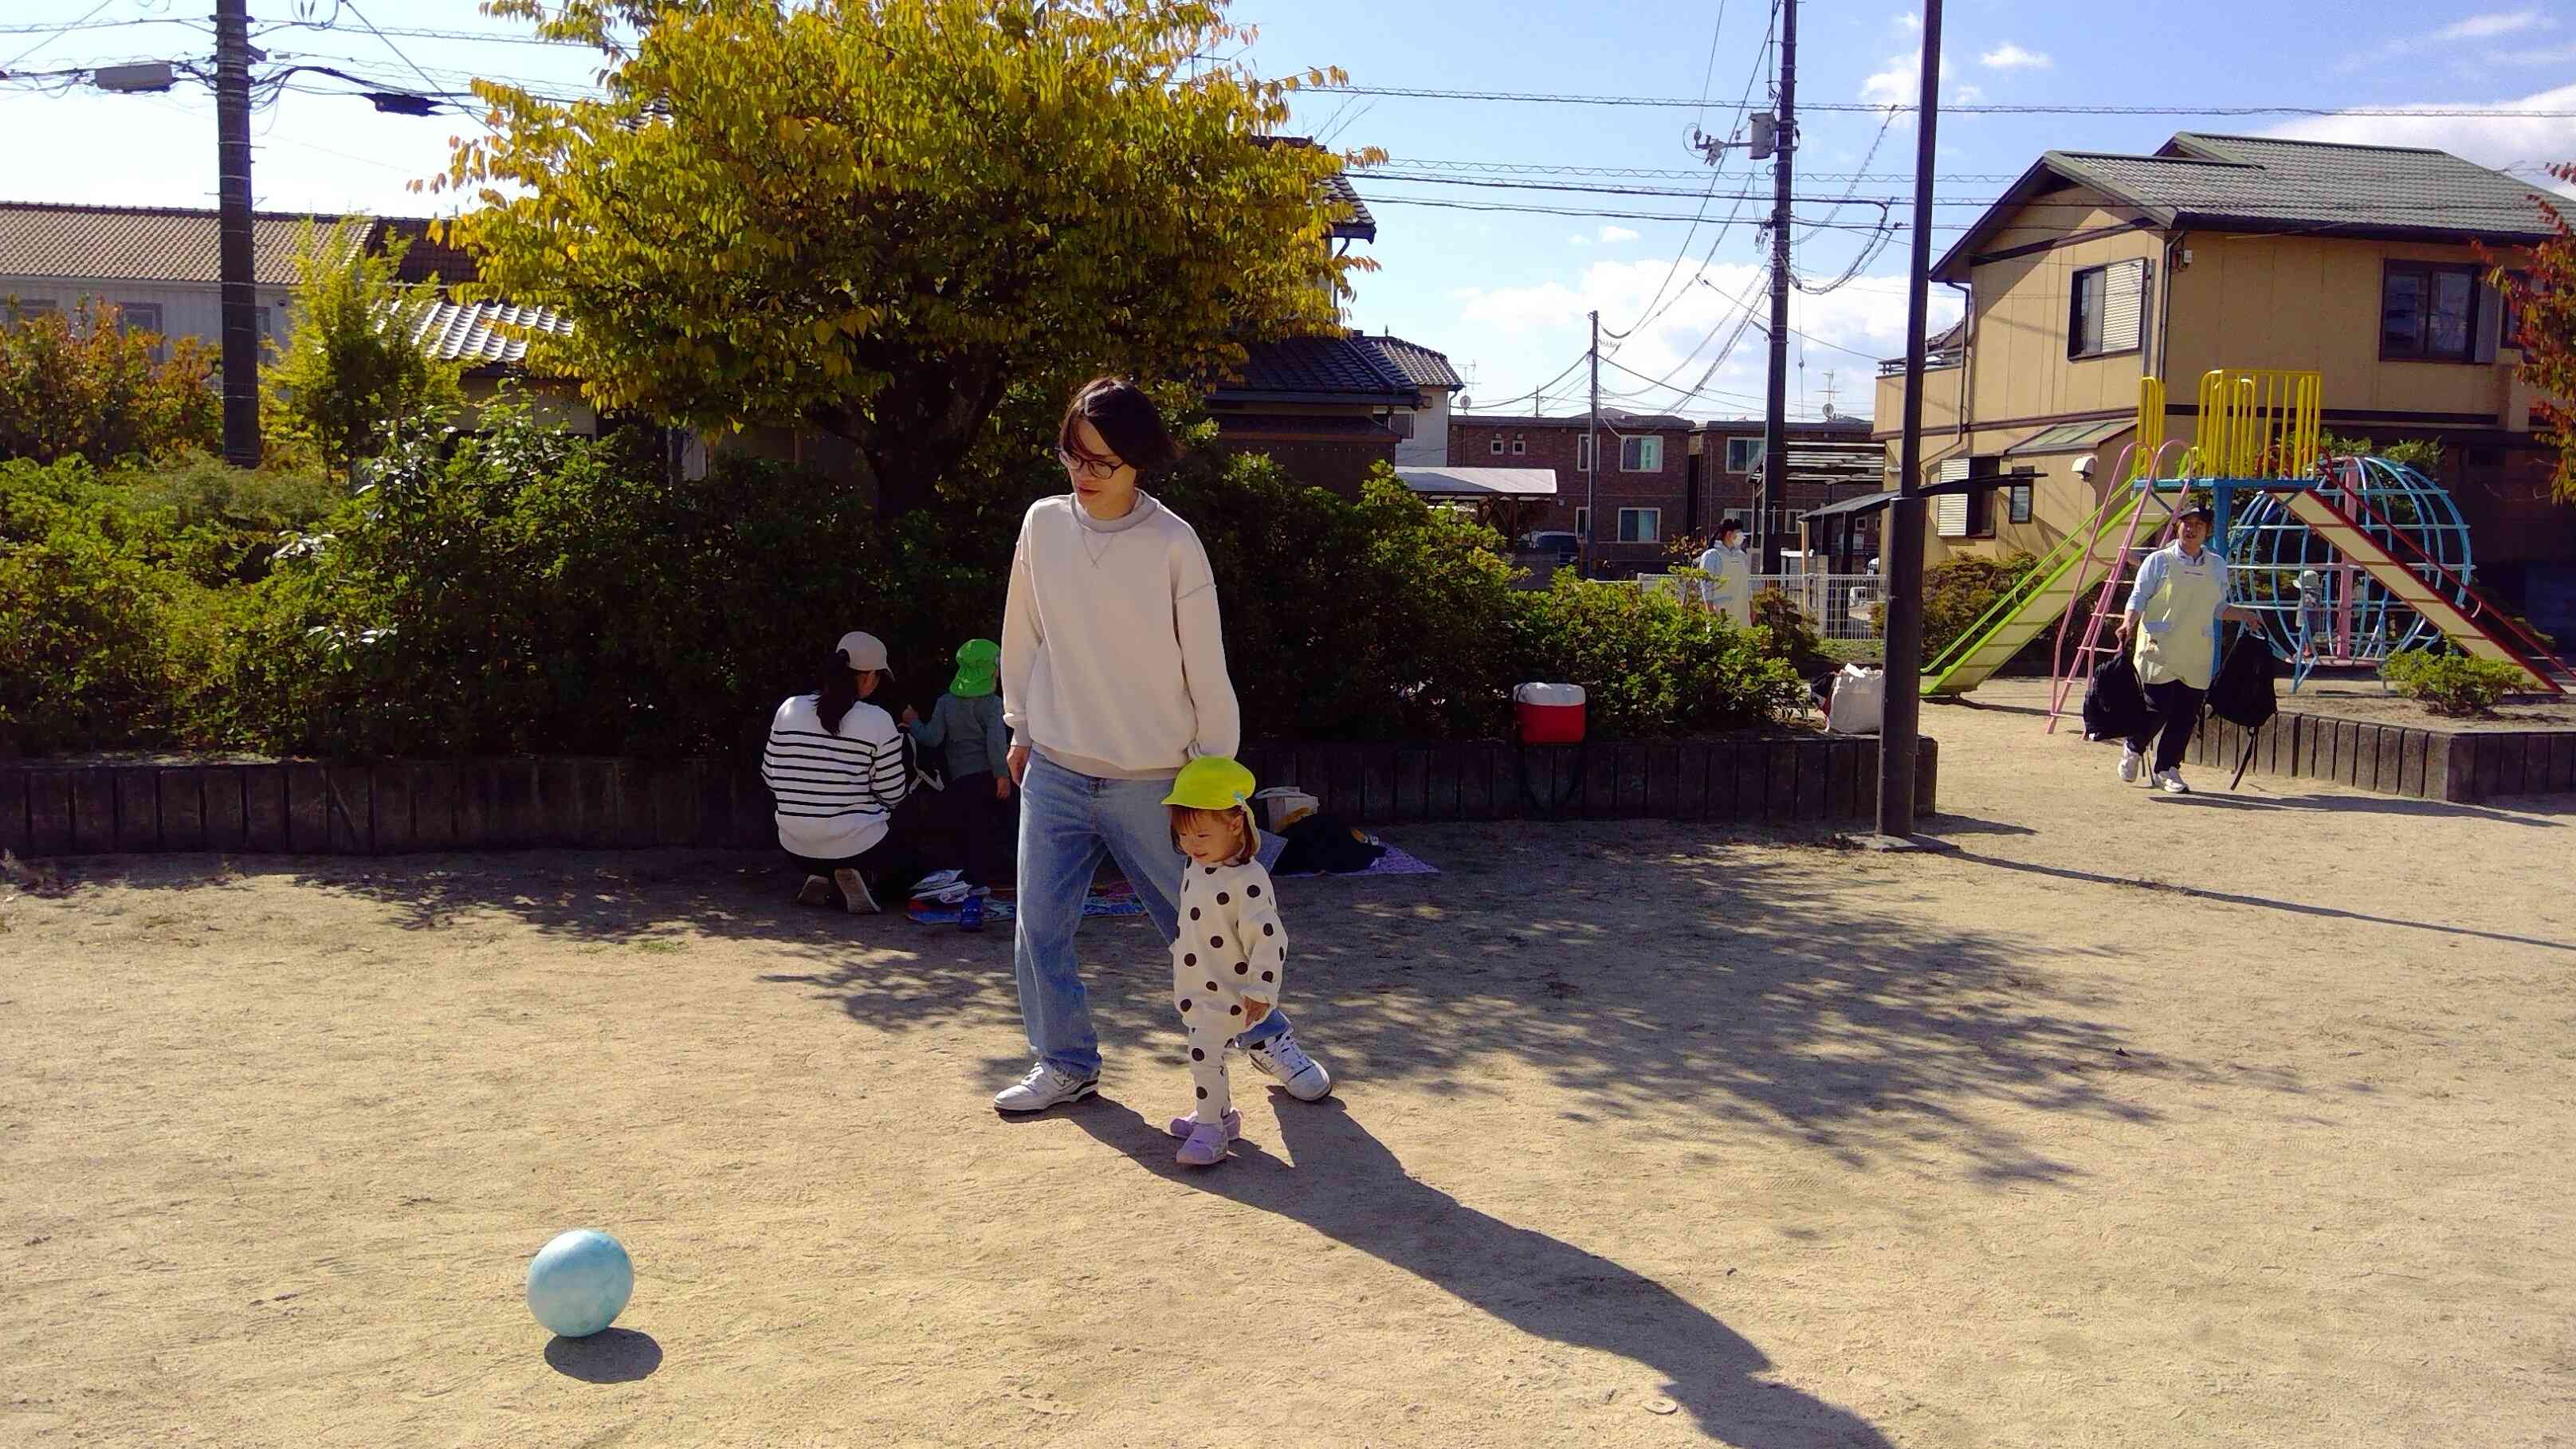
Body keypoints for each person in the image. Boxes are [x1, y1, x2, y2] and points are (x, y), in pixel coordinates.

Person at [992, 376, 1333, 1114]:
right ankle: (1065, 1062)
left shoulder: (1174, 542)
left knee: (1200, 929)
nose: (1083, 475)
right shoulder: (1041, 525)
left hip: (1158, 780)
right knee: (1039, 930)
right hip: (1054, 767)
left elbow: (1205, 668)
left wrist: (1219, 783)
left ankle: (1266, 1034)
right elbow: (1023, 633)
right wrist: (1019, 726)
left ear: (1138, 460)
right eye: (1072, 456)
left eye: (1101, 462)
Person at [1157, 756, 1288, 1167]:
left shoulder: (1247, 880)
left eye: (1201, 834)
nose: (1191, 845)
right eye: (1183, 835)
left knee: (1203, 1053)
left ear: (1235, 824)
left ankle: (1211, 1130)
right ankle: (1222, 1116)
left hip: (1229, 989)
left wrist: (1262, 988)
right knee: (1206, 1052)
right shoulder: (1197, 867)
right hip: (1197, 984)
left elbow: (1269, 937)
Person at [760, 630, 920, 913]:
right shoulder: (878, 720)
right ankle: (864, 878)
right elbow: (893, 795)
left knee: (831, 839)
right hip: (860, 848)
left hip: (795, 846)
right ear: (870, 676)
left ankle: (822, 874)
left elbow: (770, 778)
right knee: (906, 825)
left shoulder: (789, 708)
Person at [2114, 505, 2263, 795]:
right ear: (2177, 527)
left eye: (2199, 524)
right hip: (2160, 646)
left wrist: (2244, 614)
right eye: (2186, 523)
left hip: (2196, 647)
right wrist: (2128, 623)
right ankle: (2133, 747)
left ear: (2208, 531)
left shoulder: (2217, 565)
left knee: (2186, 712)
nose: (2191, 529)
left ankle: (2167, 768)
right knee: (2157, 706)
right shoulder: (2159, 561)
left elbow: (2217, 607)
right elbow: (2139, 596)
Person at [909, 638, 1015, 891]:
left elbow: (932, 738)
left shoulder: (946, 702)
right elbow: (996, 743)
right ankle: (999, 878)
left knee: (969, 830)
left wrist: (912, 722)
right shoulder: (992, 704)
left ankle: (969, 882)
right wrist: (1003, 776)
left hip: (960, 779)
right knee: (999, 828)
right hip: (990, 777)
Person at [1697, 519, 1753, 627]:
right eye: (1739, 532)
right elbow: (1706, 586)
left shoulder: (1741, 556)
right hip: (1721, 612)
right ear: (1729, 534)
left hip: (1742, 612)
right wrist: (1710, 611)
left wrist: (1751, 607)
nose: (1742, 536)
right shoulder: (1712, 556)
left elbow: (1747, 583)